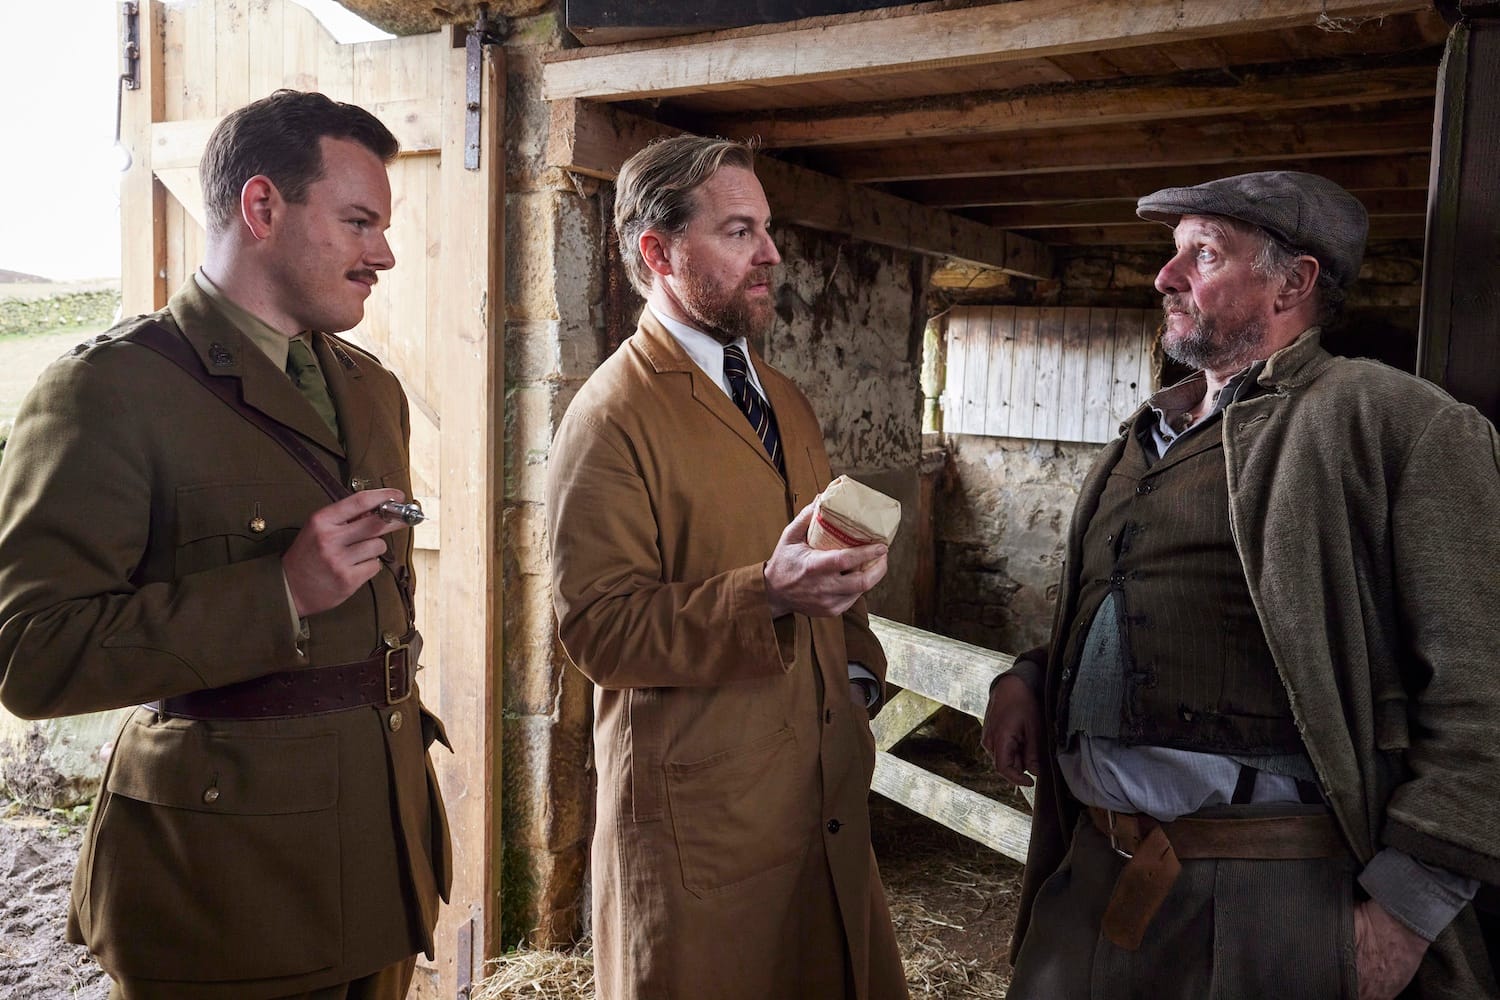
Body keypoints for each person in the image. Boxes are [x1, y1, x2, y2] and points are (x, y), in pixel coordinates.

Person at [982, 171, 1500, 999]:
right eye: (1173, 251)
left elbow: (1484, 689)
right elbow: (1153, 605)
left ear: (1294, 283)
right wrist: (1034, 675)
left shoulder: (1394, 422)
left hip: (1276, 896)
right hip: (1090, 870)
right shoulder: (1142, 435)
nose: (1166, 276)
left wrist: (1404, 915)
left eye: (1206, 253)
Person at [0, 90, 450, 999]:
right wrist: (277, 594)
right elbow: (31, 657)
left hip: (380, 858)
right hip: (227, 893)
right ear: (260, 208)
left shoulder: (371, 391)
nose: (385, 254)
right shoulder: (108, 391)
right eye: (359, 222)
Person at [546, 134, 909, 1000]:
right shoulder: (610, 419)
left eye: (767, 229)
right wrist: (767, 591)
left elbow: (819, 557)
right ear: (658, 252)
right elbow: (597, 630)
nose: (772, 254)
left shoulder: (783, 397)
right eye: (740, 231)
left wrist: (856, 670)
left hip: (815, 795)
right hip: (700, 828)